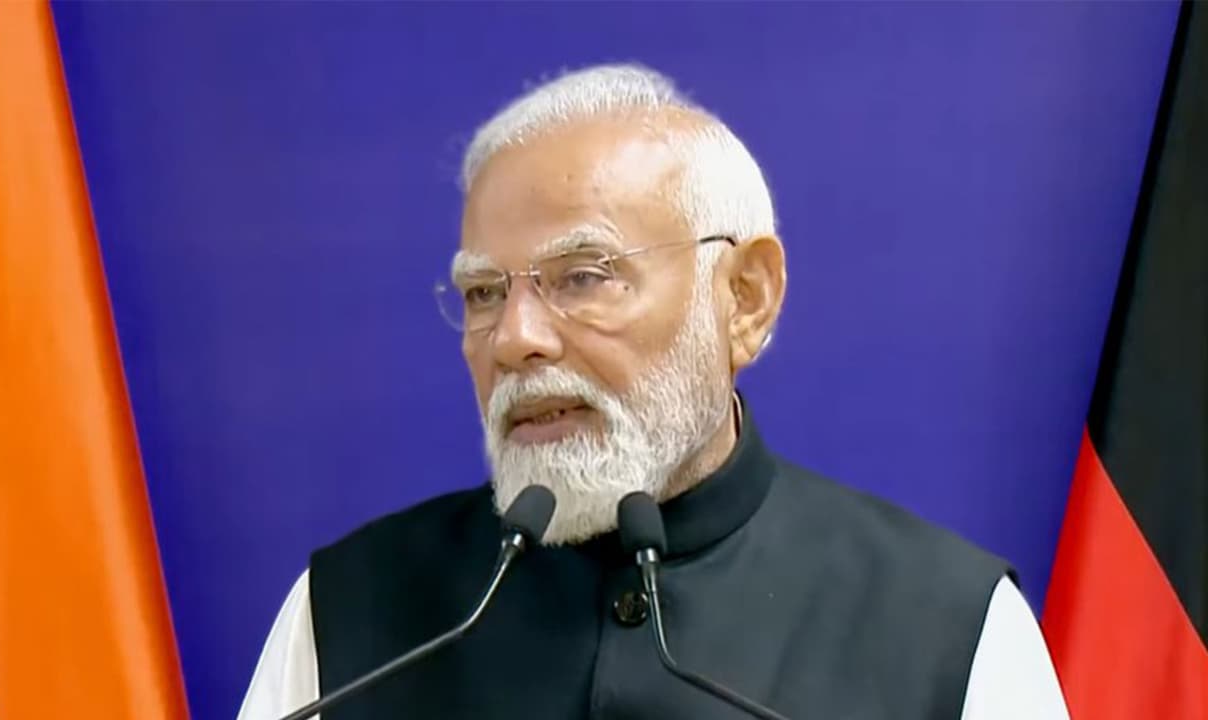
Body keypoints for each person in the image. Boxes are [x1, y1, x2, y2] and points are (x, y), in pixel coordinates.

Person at [238, 64, 1070, 720]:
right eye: (485, 292)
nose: (515, 338)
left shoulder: (947, 630)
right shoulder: (351, 613)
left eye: (583, 276)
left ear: (745, 298)